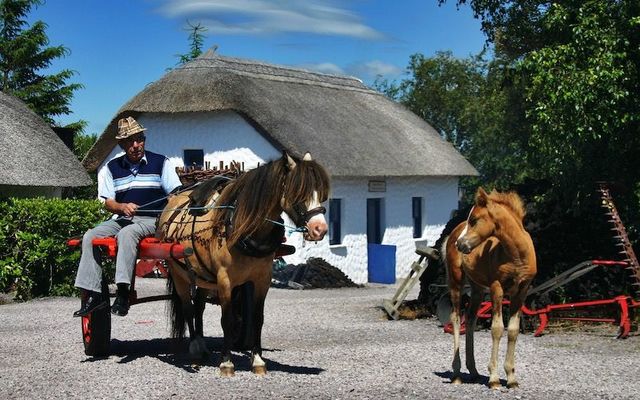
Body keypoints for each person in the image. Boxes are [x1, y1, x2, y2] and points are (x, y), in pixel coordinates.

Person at [73, 116, 182, 317]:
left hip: (153, 220)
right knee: (89, 236)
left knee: (127, 234)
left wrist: (171, 203)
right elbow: (108, 202)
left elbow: (175, 194)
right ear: (122, 144)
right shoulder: (111, 168)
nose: (136, 145)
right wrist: (122, 206)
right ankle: (93, 295)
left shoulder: (161, 162)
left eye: (139, 139)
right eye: (130, 141)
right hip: (122, 219)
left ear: (144, 140)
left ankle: (123, 293)